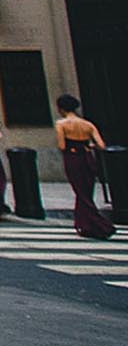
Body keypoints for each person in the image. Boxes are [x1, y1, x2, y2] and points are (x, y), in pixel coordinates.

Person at [55, 94, 116, 240]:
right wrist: (88, 145)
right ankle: (83, 224)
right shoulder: (87, 124)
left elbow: (62, 145)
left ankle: (101, 225)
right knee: (86, 191)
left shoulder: (61, 124)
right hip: (87, 157)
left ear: (61, 108)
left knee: (80, 192)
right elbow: (101, 145)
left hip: (73, 157)